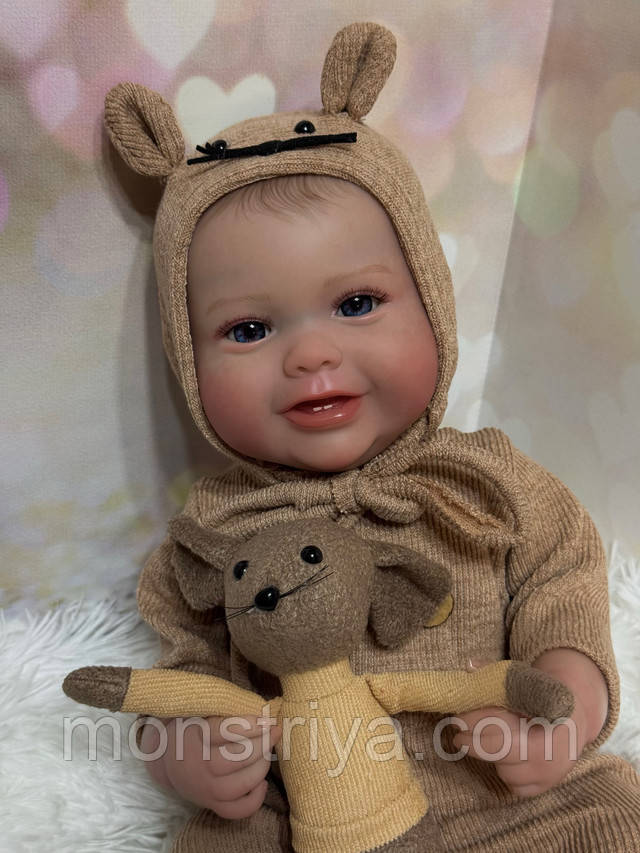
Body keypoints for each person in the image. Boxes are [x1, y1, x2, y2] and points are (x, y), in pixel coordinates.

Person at [104, 22, 640, 852]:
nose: (311, 355)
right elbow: (183, 679)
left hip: (512, 798)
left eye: (356, 304)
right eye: (249, 329)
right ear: (186, 353)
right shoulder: (212, 532)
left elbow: (561, 584)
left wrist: (563, 710)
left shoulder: (485, 481)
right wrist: (189, 756)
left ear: (431, 298)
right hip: (310, 823)